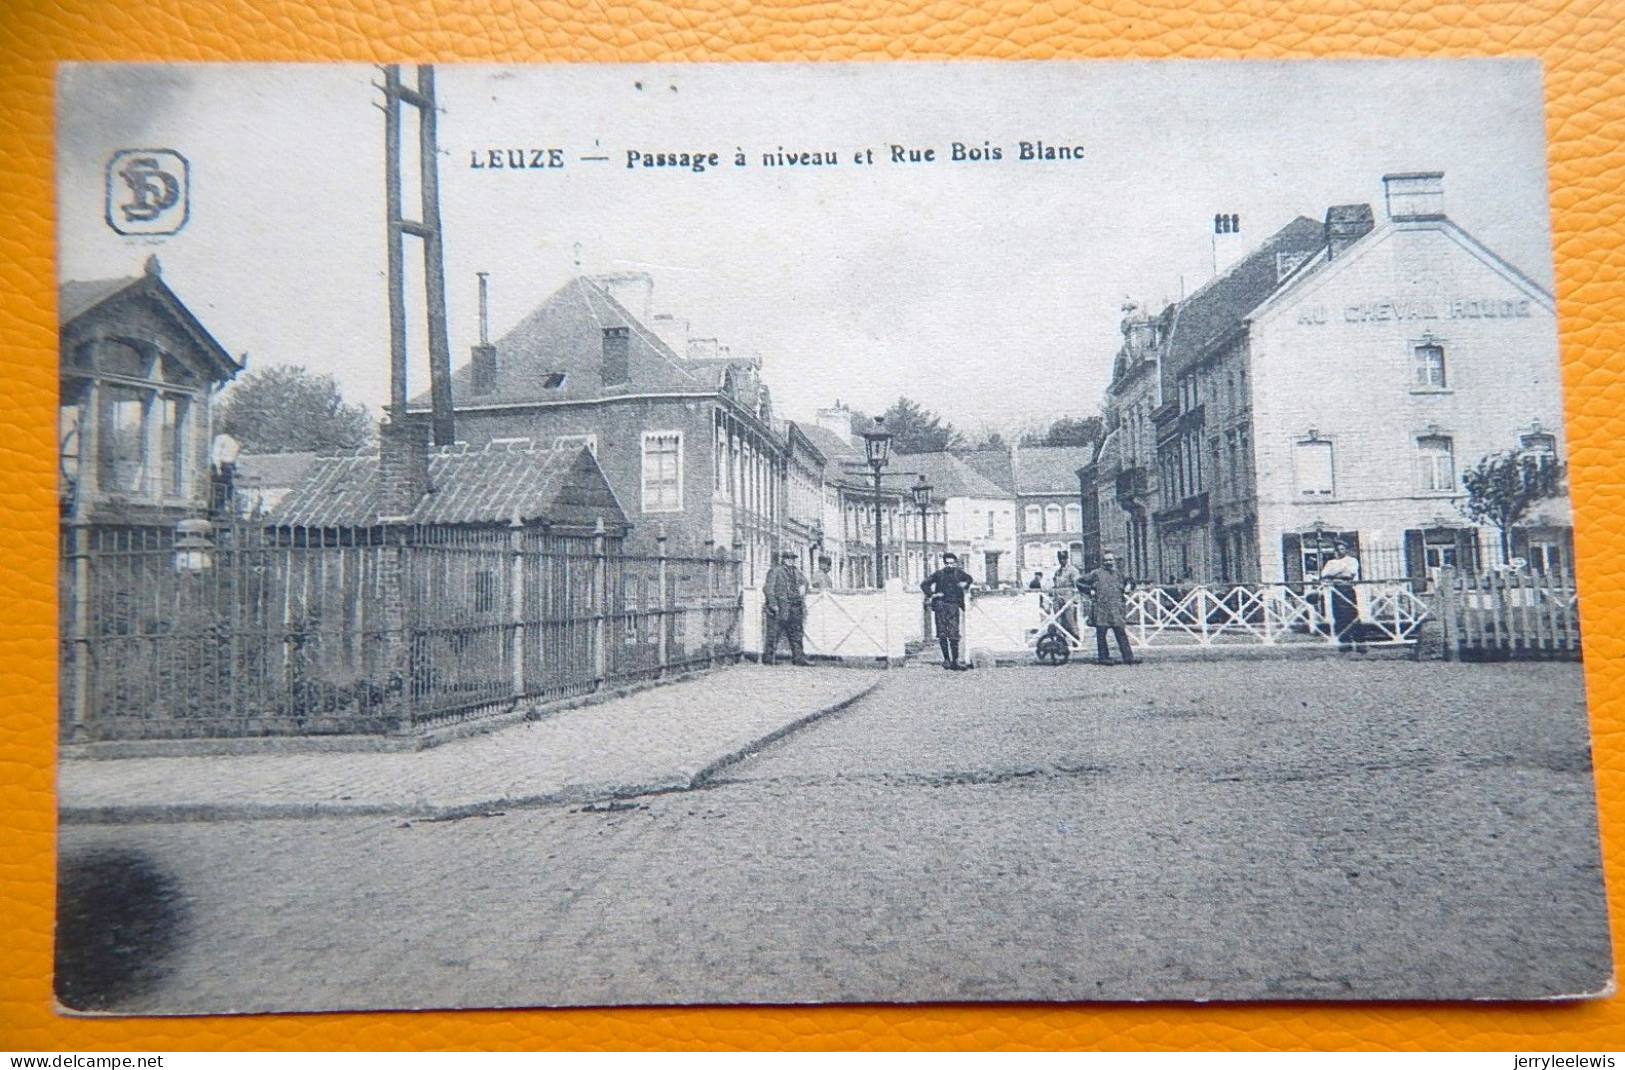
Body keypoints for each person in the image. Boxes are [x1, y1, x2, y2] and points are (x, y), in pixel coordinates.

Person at [1078, 551, 1135, 665]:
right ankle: (1103, 657)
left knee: (1121, 633)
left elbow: (1130, 581)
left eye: (1110, 560)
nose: (1108, 562)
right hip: (1101, 608)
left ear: (1114, 561)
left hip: (1116, 608)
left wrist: (1129, 586)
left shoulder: (1119, 574)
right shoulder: (1096, 574)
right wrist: (1090, 591)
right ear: (1102, 562)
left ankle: (1128, 657)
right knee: (1101, 634)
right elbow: (1080, 582)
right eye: (1106, 560)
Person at [921, 552, 975, 670]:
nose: (949, 565)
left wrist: (965, 584)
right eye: (947, 563)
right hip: (940, 606)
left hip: (953, 606)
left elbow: (969, 579)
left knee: (954, 633)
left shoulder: (959, 573)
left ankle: (955, 661)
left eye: (951, 563)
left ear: (955, 563)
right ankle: (946, 659)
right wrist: (933, 594)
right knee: (942, 633)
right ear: (944, 563)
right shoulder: (939, 574)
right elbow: (924, 584)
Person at [762, 549, 810, 666]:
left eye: (793, 558)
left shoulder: (796, 572)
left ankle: (799, 659)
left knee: (796, 635)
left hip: (795, 608)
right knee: (774, 634)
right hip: (780, 608)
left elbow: (806, 582)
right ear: (783, 559)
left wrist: (803, 587)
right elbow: (768, 589)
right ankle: (769, 659)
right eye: (788, 558)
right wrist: (773, 605)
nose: (791, 561)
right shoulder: (775, 571)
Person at [1320, 540, 1362, 651]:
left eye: (1342, 549)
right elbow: (1324, 574)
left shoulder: (1352, 560)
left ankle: (1359, 644)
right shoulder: (1330, 562)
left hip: (1347, 589)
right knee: (1339, 617)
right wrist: (1340, 571)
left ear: (1346, 550)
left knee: (1353, 616)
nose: (1340, 551)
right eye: (1338, 549)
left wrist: (1334, 573)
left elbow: (1351, 572)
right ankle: (1344, 644)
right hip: (1336, 590)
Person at [1049, 549, 1082, 641]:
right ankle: (1061, 637)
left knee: (1070, 618)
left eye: (1063, 558)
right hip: (1058, 597)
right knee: (1058, 618)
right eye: (1060, 559)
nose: (1062, 561)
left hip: (1068, 597)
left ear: (1067, 558)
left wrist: (1075, 599)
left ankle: (1075, 637)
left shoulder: (1073, 570)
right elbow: (1055, 584)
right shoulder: (1058, 571)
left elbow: (1077, 585)